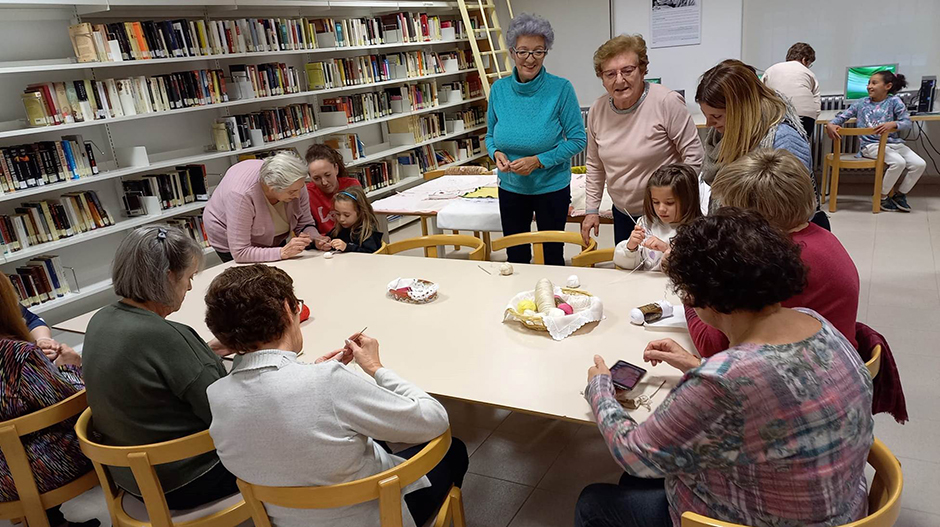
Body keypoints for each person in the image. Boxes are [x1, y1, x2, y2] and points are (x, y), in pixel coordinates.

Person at [575, 208, 874, 527]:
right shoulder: (815, 321)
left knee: (594, 502)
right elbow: (778, 390)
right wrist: (696, 364)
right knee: (637, 481)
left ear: (702, 297)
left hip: (755, 518)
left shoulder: (725, 378)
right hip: (842, 510)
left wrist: (600, 389)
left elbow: (633, 453)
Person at [205, 264, 468, 527]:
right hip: (376, 517)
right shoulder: (329, 382)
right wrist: (377, 369)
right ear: (288, 308)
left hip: (287, 521)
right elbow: (434, 419)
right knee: (454, 450)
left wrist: (309, 372)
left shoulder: (217, 395)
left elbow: (277, 406)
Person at [82, 226, 237, 510]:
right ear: (168, 277)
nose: (189, 287)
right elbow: (226, 411)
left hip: (130, 476)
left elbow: (151, 366)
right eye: (189, 278)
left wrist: (202, 351)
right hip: (185, 479)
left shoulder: (100, 320)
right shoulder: (169, 335)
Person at [685, 148, 860, 358]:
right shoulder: (821, 235)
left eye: (727, 208)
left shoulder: (775, 261)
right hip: (835, 361)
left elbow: (712, 345)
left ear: (751, 216)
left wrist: (690, 286)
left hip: (809, 376)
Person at [581, 34, 704, 246]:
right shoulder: (597, 110)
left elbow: (694, 157)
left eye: (627, 71)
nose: (619, 80)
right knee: (628, 266)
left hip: (666, 215)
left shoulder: (666, 101)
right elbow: (594, 164)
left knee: (667, 270)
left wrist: (679, 203)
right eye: (610, 74)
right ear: (601, 78)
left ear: (643, 69)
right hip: (623, 212)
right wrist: (591, 209)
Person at [485, 13, 587, 265]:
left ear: (545, 52)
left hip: (551, 188)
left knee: (552, 255)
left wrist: (538, 161)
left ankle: (553, 304)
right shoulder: (498, 90)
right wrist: (495, 153)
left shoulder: (561, 89)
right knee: (516, 255)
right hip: (510, 188)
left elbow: (577, 140)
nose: (530, 59)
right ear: (512, 52)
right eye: (523, 51)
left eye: (538, 52)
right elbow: (489, 137)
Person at [0, 276, 99, 527]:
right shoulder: (18, 356)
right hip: (21, 471)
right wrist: (75, 366)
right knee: (104, 425)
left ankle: (55, 521)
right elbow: (71, 405)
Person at [696, 59, 830, 230]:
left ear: (742, 110)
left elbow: (794, 213)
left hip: (771, 242)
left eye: (716, 116)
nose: (709, 124)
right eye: (706, 115)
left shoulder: (784, 139)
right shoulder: (726, 134)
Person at [204, 151, 331, 263]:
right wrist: (281, 252)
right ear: (271, 187)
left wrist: (315, 238)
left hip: (271, 237)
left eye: (300, 188)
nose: (298, 195)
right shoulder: (241, 195)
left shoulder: (296, 183)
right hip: (229, 239)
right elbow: (240, 252)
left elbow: (304, 223)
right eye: (292, 192)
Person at [825, 70, 925, 212]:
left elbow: (906, 122)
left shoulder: (894, 101)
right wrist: (831, 124)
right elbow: (842, 117)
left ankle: (900, 195)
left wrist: (894, 124)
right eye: (869, 83)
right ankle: (881, 197)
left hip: (893, 143)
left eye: (874, 83)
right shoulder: (861, 103)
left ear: (888, 86)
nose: (869, 86)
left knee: (919, 164)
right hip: (870, 145)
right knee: (898, 162)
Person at [612, 164, 701, 271]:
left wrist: (668, 250)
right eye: (656, 202)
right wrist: (631, 248)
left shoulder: (700, 231)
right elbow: (627, 267)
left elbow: (698, 272)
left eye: (669, 203)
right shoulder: (646, 223)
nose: (661, 209)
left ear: (688, 200)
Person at [762, 42, 821, 139]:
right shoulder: (809, 74)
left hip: (776, 116)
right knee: (800, 146)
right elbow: (816, 104)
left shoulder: (770, 70)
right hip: (804, 117)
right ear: (804, 60)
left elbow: (761, 93)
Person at [305, 143, 362, 236]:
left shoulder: (352, 185)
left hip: (354, 238)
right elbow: (305, 226)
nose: (324, 182)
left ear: (336, 169)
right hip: (325, 244)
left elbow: (365, 218)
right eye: (316, 178)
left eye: (328, 175)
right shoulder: (307, 193)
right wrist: (317, 240)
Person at [329, 186, 384, 253]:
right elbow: (329, 239)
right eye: (337, 214)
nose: (341, 219)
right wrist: (322, 243)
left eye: (347, 215)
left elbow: (371, 253)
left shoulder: (368, 233)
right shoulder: (338, 229)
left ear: (360, 212)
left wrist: (347, 247)